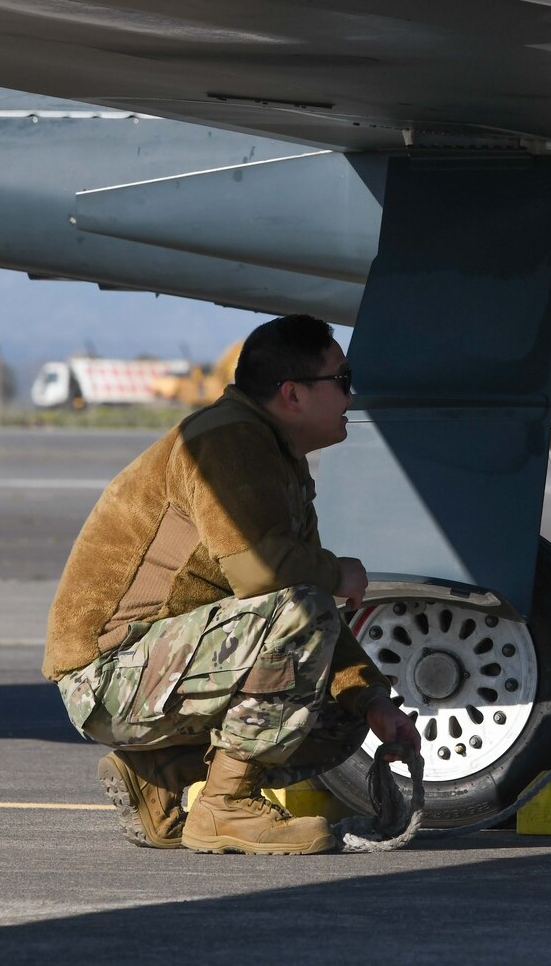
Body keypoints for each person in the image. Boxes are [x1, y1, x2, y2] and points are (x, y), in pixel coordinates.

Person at [42, 314, 419, 855]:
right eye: (341, 379)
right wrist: (340, 573)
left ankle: (160, 774)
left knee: (341, 714)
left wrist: (372, 698)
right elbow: (262, 576)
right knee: (304, 605)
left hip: (153, 670)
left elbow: (294, 612)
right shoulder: (230, 440)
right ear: (292, 393)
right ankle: (225, 805)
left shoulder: (274, 454)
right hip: (105, 677)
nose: (351, 396)